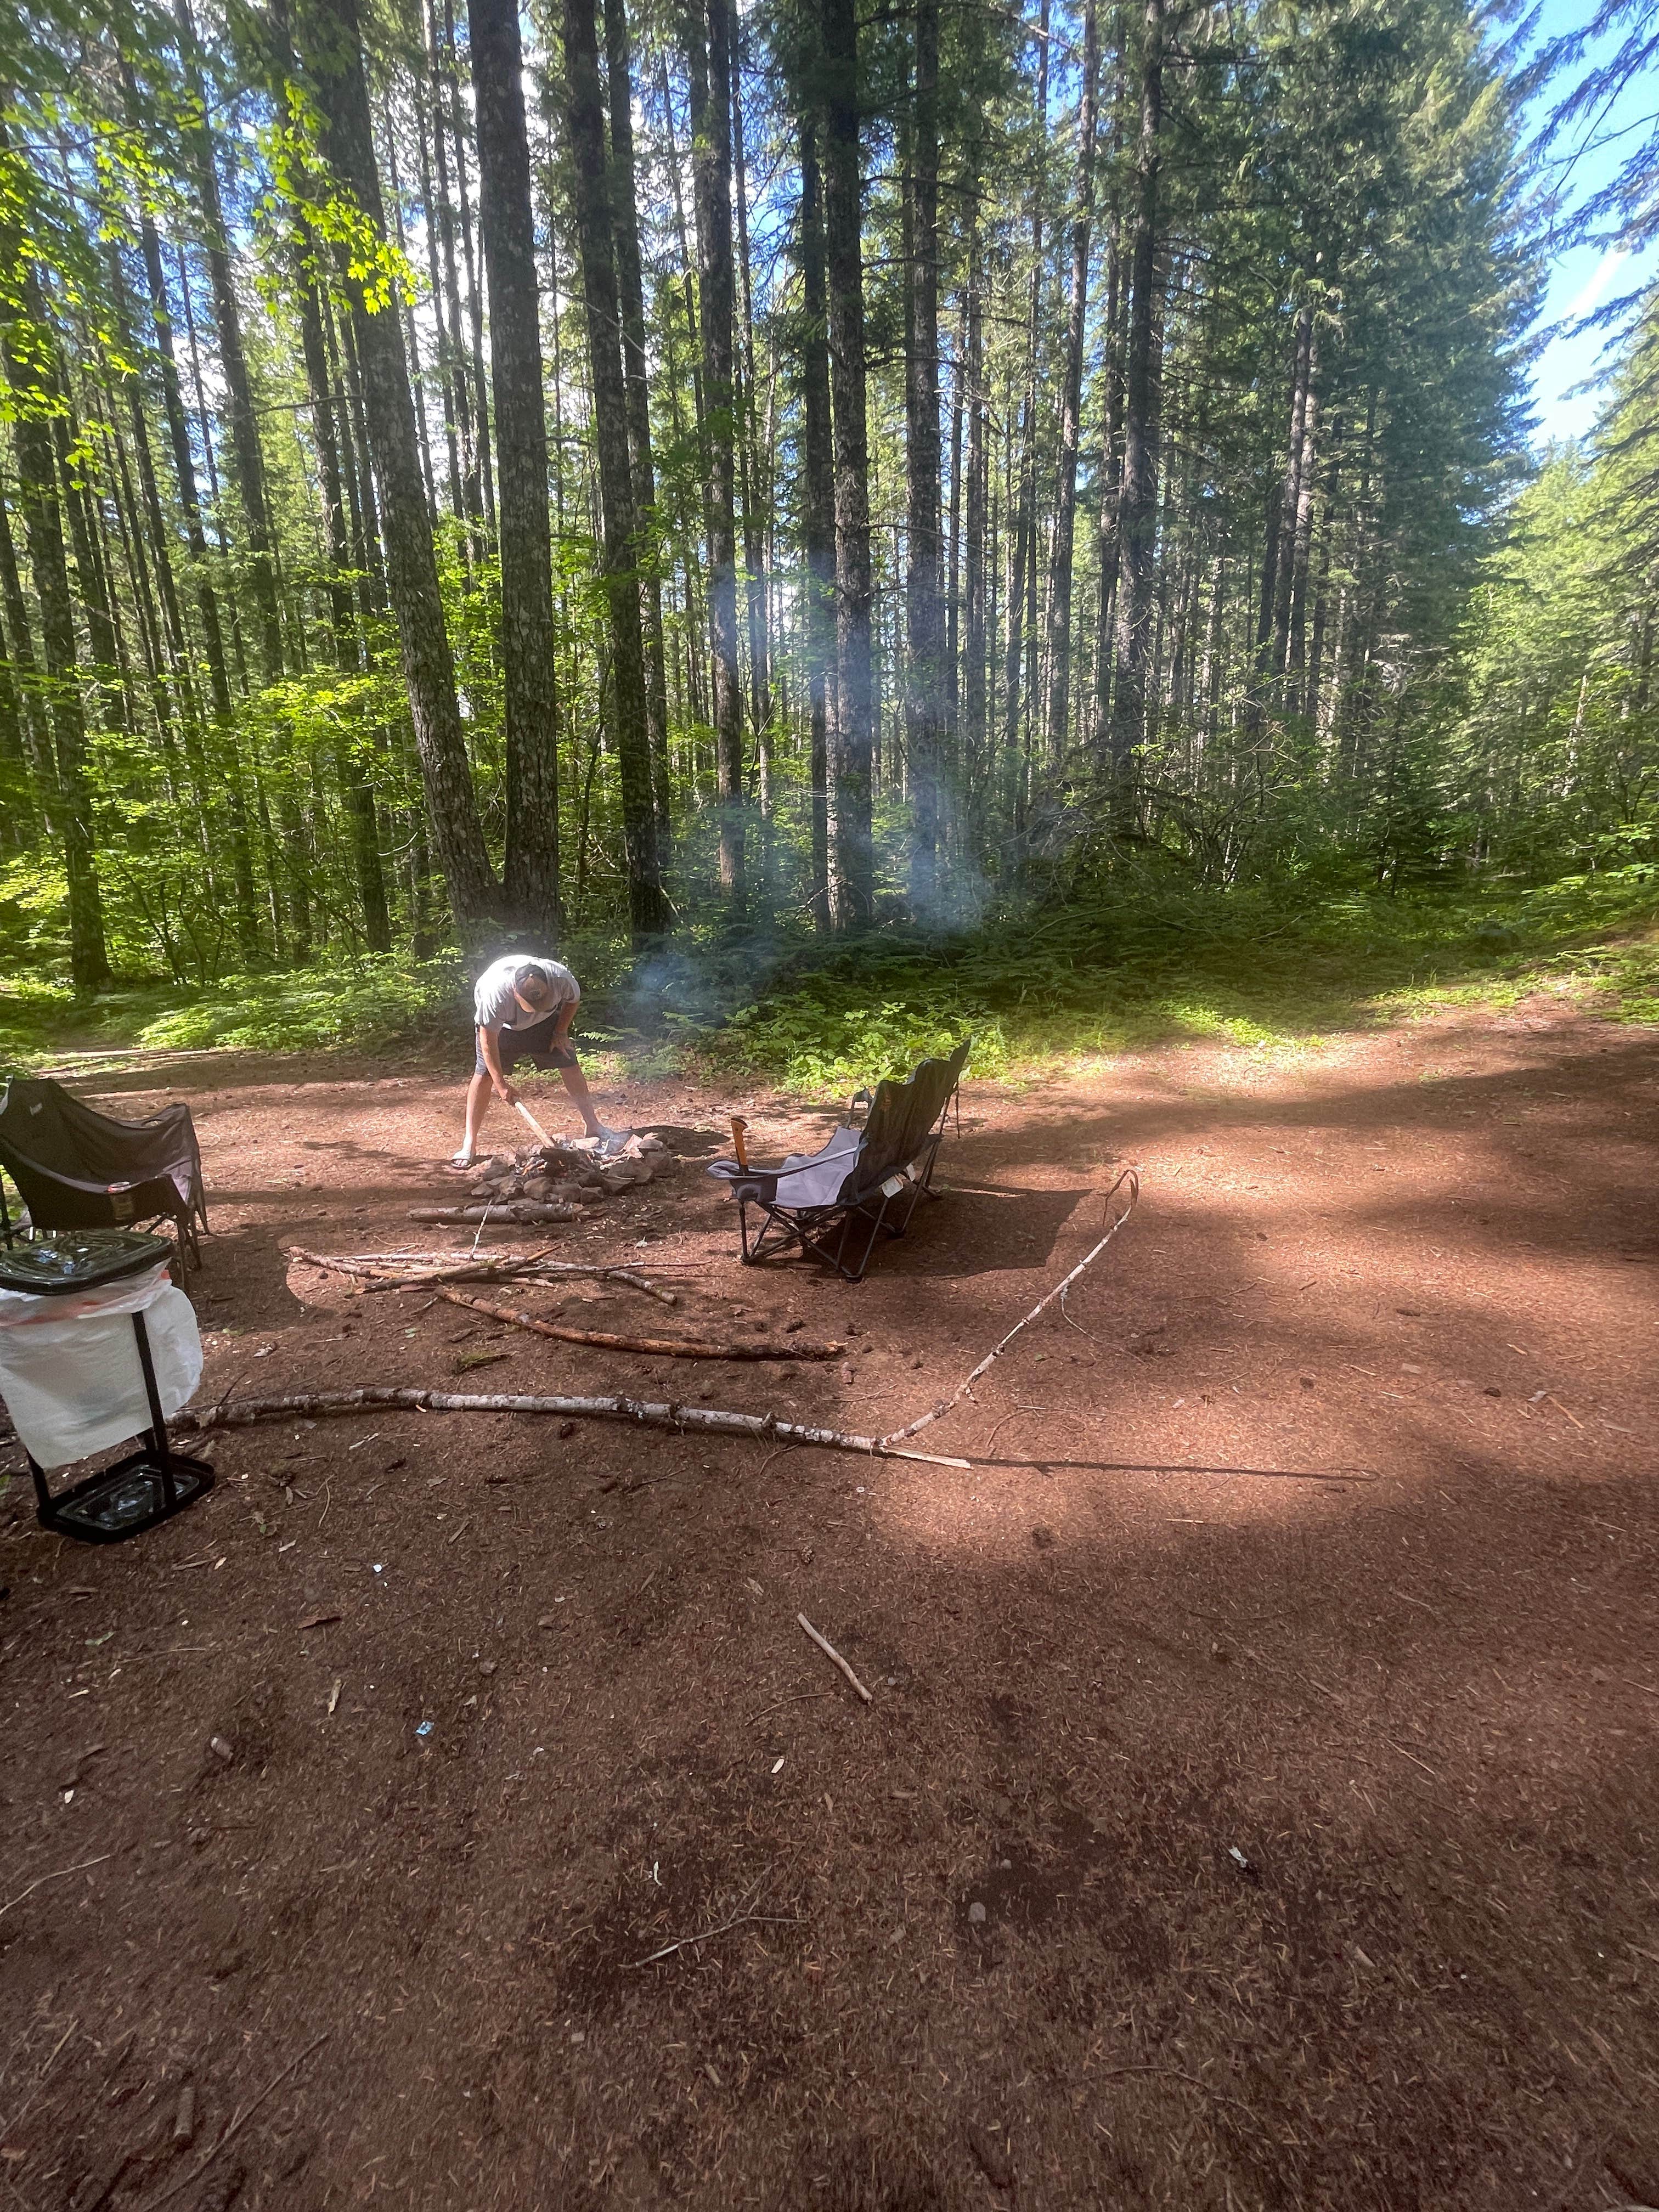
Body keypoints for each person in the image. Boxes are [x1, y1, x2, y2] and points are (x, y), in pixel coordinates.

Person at [450, 956, 628, 1169]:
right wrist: (501, 1084)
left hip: (545, 1024)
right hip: (503, 1029)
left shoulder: (560, 978)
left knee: (569, 1062)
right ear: (514, 991)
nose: (535, 1007)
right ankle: (469, 1143)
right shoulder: (495, 994)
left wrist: (560, 1032)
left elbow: (573, 1000)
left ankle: (593, 1125)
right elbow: (488, 1042)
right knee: (484, 1075)